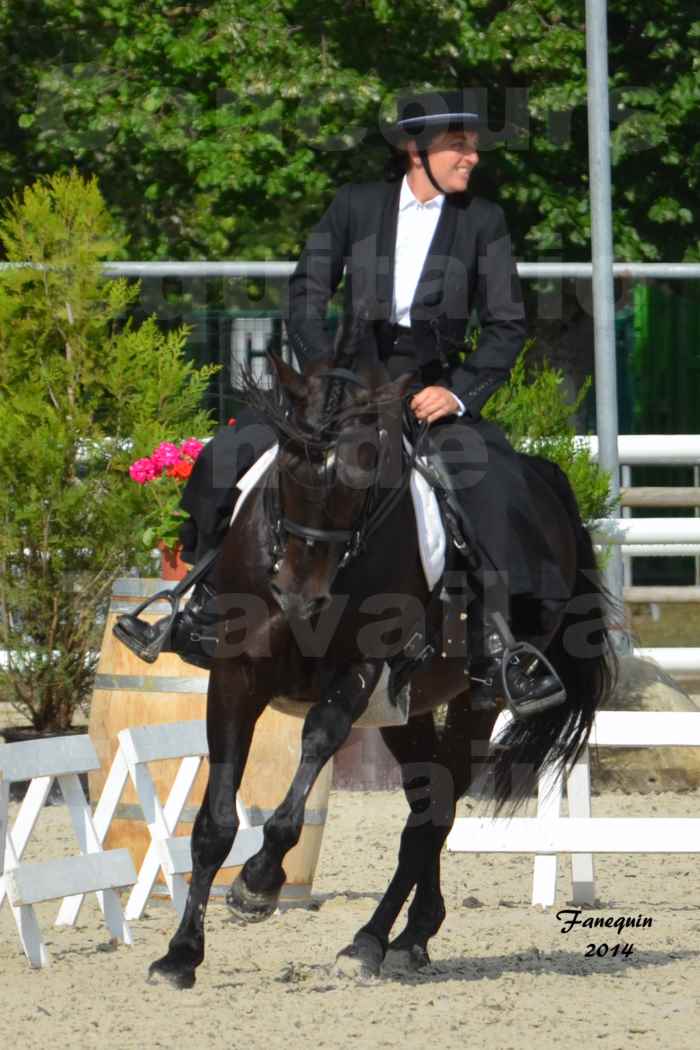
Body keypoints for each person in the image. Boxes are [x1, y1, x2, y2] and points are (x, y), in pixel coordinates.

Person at [116, 89, 566, 713]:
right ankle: (195, 608)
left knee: (497, 486)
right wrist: (321, 369)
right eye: (457, 145)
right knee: (230, 452)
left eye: (472, 146)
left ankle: (503, 649)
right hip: (344, 380)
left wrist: (457, 394)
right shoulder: (356, 206)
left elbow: (507, 325)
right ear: (417, 151)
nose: (472, 157)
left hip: (424, 390)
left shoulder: (481, 222)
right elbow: (307, 289)